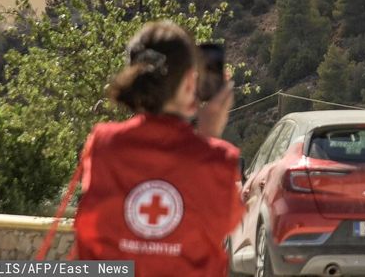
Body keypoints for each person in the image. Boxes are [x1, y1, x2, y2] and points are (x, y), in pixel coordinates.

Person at [71, 21, 242, 276]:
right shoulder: (218, 159)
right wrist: (208, 138)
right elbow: (225, 223)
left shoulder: (103, 144)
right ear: (187, 84)